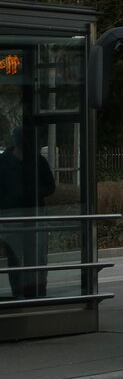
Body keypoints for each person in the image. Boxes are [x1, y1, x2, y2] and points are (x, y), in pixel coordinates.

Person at [0, 125, 55, 299]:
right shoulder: (3, 163)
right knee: (15, 259)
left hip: (35, 218)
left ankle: (38, 293)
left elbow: (50, 186)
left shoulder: (38, 161)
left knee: (38, 259)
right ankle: (18, 293)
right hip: (11, 218)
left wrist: (35, 192)